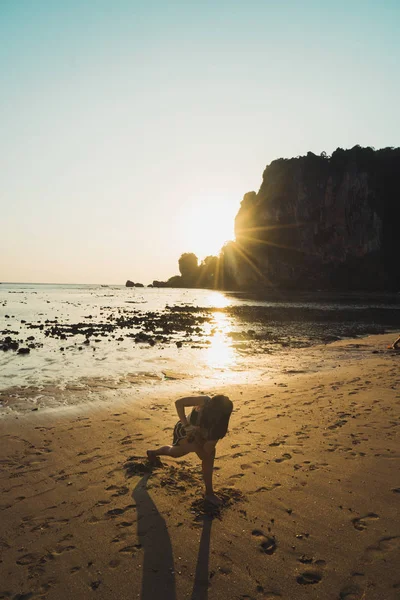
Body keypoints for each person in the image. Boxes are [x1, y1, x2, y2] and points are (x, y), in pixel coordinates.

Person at [147, 394, 233, 506]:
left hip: (198, 439)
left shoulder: (218, 430)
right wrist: (187, 426)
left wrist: (198, 441)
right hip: (183, 430)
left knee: (208, 455)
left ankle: (209, 493)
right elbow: (179, 403)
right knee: (175, 453)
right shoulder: (205, 401)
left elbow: (204, 455)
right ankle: (154, 453)